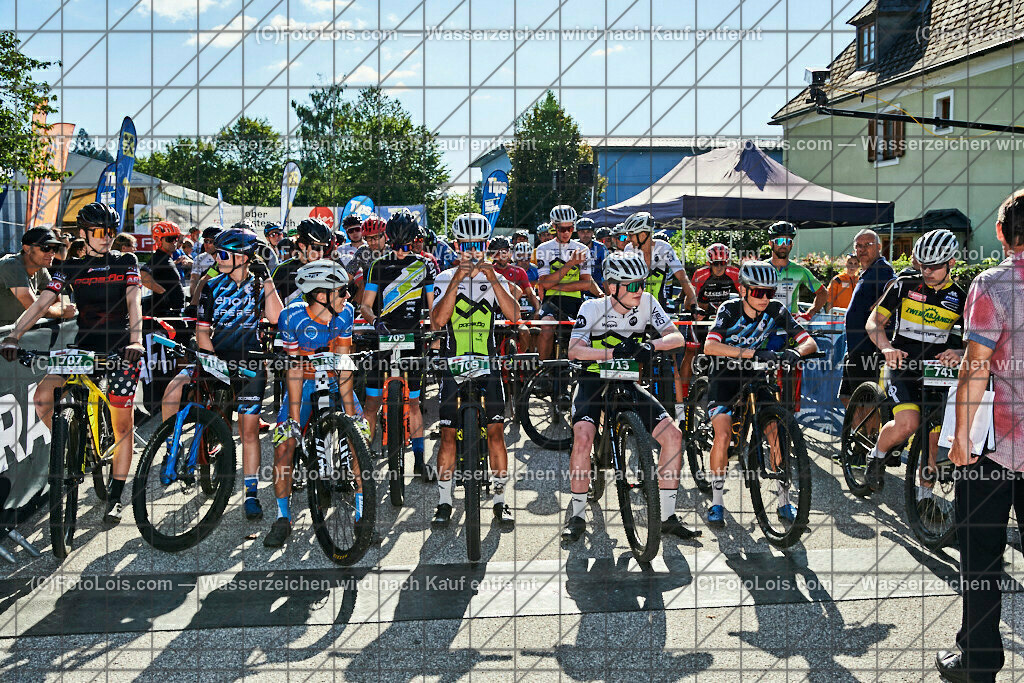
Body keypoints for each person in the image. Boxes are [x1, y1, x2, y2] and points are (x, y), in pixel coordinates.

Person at [1, 202, 146, 524]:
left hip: (122, 347)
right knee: (42, 398)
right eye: (98, 232)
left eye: (110, 231)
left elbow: (134, 300)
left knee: (123, 426)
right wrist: (14, 336)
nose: (106, 238)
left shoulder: (126, 260)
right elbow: (41, 304)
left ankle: (117, 496)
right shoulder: (70, 267)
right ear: (83, 233)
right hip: (84, 346)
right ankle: (70, 448)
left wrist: (136, 340)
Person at [936, 190, 1024, 683]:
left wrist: (961, 438)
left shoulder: (993, 283)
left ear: (1001, 232)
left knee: (983, 558)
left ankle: (979, 661)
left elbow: (975, 367)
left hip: (998, 446)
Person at [562, 251, 700, 542]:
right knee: (583, 436)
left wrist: (652, 345)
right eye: (633, 285)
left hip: (626, 380)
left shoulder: (648, 302)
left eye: (643, 284)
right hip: (593, 380)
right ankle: (576, 515)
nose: (641, 291)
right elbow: (574, 350)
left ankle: (667, 516)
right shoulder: (592, 306)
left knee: (674, 437)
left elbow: (677, 337)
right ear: (613, 287)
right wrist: (612, 353)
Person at [163, 226, 283, 521]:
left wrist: (266, 277)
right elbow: (202, 332)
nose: (217, 257)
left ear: (243, 257)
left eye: (224, 253)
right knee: (173, 390)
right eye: (216, 252)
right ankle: (172, 447)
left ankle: (251, 493)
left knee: (249, 430)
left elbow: (277, 317)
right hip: (217, 359)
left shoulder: (258, 284)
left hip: (250, 364)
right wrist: (213, 361)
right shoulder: (212, 287)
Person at [702, 261, 818, 527]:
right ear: (743, 290)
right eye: (758, 292)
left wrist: (796, 352)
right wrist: (752, 353)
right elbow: (711, 346)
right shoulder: (729, 309)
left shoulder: (776, 310)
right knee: (723, 432)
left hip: (757, 375)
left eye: (770, 292)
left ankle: (783, 500)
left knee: (776, 431)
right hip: (725, 375)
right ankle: (717, 501)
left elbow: (808, 341)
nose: (765, 298)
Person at [265, 259, 365, 548]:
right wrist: (293, 422)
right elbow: (294, 371)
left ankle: (362, 515)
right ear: (321, 295)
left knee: (360, 440)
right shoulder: (291, 317)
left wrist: (351, 417)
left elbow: (345, 365)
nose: (348, 296)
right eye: (342, 291)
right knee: (283, 446)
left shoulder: (344, 313)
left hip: (336, 380)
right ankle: (283, 518)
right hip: (304, 382)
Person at [429, 214, 519, 527]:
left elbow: (514, 315)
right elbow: (438, 322)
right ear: (456, 246)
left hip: (488, 363)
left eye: (477, 246)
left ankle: (500, 501)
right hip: (453, 364)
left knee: (496, 433)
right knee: (447, 435)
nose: (472, 251)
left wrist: (492, 276)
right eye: (466, 246)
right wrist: (457, 279)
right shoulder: (443, 278)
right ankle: (443, 502)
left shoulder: (496, 276)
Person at [863, 229, 965, 499]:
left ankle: (924, 498)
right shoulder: (904, 285)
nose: (927, 271)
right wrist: (886, 347)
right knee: (908, 424)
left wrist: (957, 350)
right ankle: (876, 456)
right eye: (922, 265)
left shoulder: (961, 297)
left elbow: (971, 341)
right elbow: (873, 322)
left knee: (934, 436)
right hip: (901, 365)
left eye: (934, 266)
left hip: (937, 372)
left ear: (951, 263)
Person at [360, 211, 436, 476]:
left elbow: (433, 308)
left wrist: (436, 339)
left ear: (414, 241)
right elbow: (366, 306)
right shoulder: (377, 266)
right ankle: (363, 459)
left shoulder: (424, 265)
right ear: (389, 242)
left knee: (414, 404)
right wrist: (374, 322)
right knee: (370, 405)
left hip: (412, 338)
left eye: (406, 247)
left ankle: (418, 459)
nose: (401, 252)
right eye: (396, 247)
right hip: (382, 336)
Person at [840, 229, 895, 408]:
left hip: (868, 350)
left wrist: (883, 306)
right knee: (847, 397)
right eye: (858, 246)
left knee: (867, 402)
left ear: (879, 247)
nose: (862, 249)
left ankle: (871, 435)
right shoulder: (867, 272)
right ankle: (856, 435)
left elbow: (896, 284)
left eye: (867, 245)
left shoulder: (882, 269)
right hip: (855, 348)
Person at [536, 205, 592, 361]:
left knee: (584, 337)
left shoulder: (582, 249)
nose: (566, 232)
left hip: (575, 300)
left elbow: (586, 284)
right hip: (551, 300)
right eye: (562, 229)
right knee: (546, 329)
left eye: (570, 228)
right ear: (554, 227)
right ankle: (543, 369)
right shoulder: (543, 248)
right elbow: (545, 283)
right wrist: (571, 263)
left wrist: (555, 284)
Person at [0, 228, 75, 325]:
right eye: (46, 248)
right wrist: (62, 311)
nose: (52, 253)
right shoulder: (12, 265)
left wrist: (53, 309)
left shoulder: (40, 268)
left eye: (55, 249)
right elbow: (35, 309)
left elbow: (56, 300)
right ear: (27, 248)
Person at [766, 221, 827, 319]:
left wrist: (810, 313)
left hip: (789, 323)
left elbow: (823, 293)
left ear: (792, 244)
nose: (784, 245)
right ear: (770, 243)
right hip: (764, 323)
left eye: (788, 241)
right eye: (779, 241)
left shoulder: (799, 270)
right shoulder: (761, 267)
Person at [272, 218, 332, 305]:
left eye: (325, 248)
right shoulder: (282, 270)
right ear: (302, 245)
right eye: (317, 248)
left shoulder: (328, 269)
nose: (321, 252)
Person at [143, 221, 186, 318]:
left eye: (176, 238)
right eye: (170, 239)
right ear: (158, 240)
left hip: (173, 312)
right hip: (165, 313)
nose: (174, 242)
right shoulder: (159, 257)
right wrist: (162, 292)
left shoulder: (166, 258)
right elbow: (143, 274)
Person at [690, 243, 740, 318]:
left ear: (727, 262)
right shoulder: (700, 275)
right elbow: (689, 301)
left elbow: (745, 296)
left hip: (725, 312)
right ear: (709, 263)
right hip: (703, 312)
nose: (719, 267)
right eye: (715, 263)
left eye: (722, 263)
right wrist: (695, 309)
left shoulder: (735, 273)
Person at [189, 226, 221, 303]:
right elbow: (194, 280)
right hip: (205, 298)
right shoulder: (200, 258)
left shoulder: (226, 258)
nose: (206, 244)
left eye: (210, 242)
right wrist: (194, 301)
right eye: (205, 241)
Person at [575, 217, 606, 287]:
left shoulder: (601, 248)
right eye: (582, 232)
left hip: (598, 288)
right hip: (577, 288)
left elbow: (607, 270)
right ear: (577, 233)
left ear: (593, 232)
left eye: (588, 232)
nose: (585, 235)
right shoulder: (572, 246)